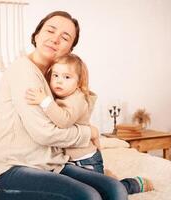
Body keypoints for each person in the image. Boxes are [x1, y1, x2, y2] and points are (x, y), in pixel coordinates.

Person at [0, 11, 128, 200]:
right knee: (88, 196)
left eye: (65, 37)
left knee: (115, 189)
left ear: (70, 49)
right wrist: (89, 133)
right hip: (12, 171)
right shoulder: (23, 71)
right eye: (50, 31)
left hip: (53, 165)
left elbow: (73, 112)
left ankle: (128, 185)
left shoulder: (55, 80)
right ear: (37, 35)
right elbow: (45, 133)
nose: (55, 39)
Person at [25, 53, 154, 194]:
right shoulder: (59, 97)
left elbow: (63, 121)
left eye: (67, 77)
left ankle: (132, 184)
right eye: (55, 75)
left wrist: (44, 101)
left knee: (102, 192)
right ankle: (105, 177)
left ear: (78, 82)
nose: (59, 81)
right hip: (68, 162)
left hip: (86, 160)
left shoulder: (77, 99)